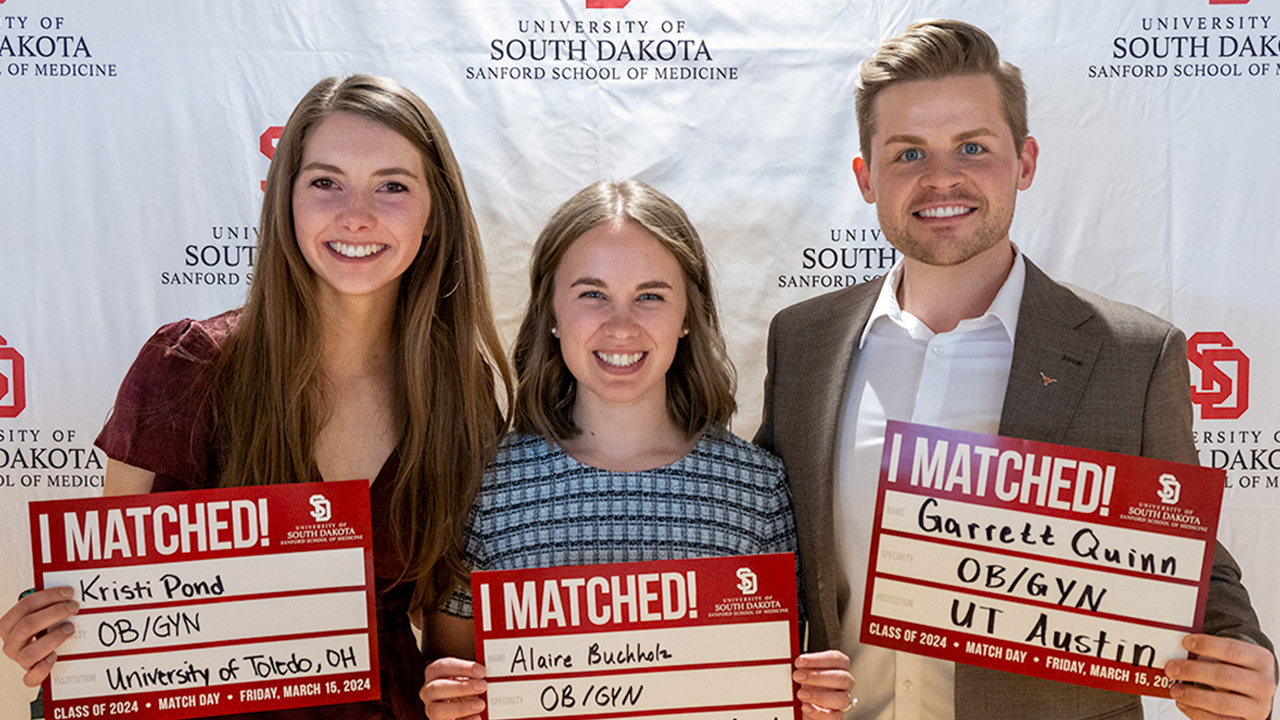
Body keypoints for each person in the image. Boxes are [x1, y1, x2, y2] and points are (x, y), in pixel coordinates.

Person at [754, 18, 1277, 720]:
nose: (942, 177)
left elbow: (1191, 567)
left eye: (973, 146)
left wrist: (1239, 658)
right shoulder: (803, 341)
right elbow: (772, 553)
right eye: (908, 153)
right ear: (865, 177)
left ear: (1025, 162)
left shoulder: (1134, 355)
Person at [0, 74, 510, 719]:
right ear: (285, 201)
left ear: (436, 212)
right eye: (325, 181)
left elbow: (447, 636)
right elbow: (109, 599)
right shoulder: (188, 365)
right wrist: (52, 630)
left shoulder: (459, 395)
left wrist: (465, 697)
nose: (357, 213)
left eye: (393, 185)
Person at [418, 179, 856, 720]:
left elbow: (771, 691)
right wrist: (446, 701)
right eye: (592, 294)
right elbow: (451, 672)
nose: (620, 325)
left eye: (650, 295)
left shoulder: (757, 489)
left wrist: (813, 701)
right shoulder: (486, 485)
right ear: (551, 312)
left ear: (688, 316)